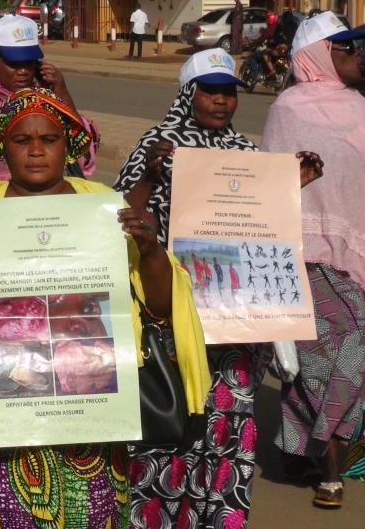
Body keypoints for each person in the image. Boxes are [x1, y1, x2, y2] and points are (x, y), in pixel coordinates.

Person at [0, 87, 210, 529]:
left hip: (90, 415)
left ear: (70, 144)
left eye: (50, 138)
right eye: (22, 141)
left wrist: (151, 251)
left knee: (92, 515)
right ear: (3, 148)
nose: (37, 151)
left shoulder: (104, 211)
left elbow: (160, 309)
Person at [114, 48, 323, 528]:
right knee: (171, 425)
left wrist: (292, 185)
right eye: (209, 90)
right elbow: (121, 217)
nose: (221, 101)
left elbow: (266, 230)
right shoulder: (159, 144)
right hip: (170, 316)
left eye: (228, 91)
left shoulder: (246, 155)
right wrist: (149, 172)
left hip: (235, 324)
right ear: (189, 93)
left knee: (228, 426)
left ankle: (220, 517)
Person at [261, 11, 365, 509]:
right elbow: (267, 190)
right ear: (321, 54)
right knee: (322, 365)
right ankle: (329, 469)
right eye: (345, 48)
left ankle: (302, 447)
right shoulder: (287, 110)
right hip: (300, 259)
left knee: (329, 365)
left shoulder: (360, 107)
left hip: (354, 257)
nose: (356, 56)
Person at [0, 14, 98, 184]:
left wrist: (62, 92)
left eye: (29, 62)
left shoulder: (46, 96)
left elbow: (80, 147)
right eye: (13, 63)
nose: (23, 71)